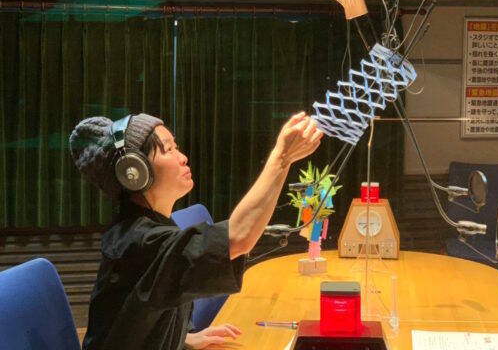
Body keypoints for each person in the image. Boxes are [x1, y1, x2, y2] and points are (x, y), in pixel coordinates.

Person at [69, 111, 323, 350]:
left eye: (176, 147)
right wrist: (281, 158)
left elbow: (139, 317)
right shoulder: (140, 243)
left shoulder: (148, 228)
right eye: (168, 149)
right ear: (134, 172)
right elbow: (238, 237)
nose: (182, 157)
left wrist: (184, 338)